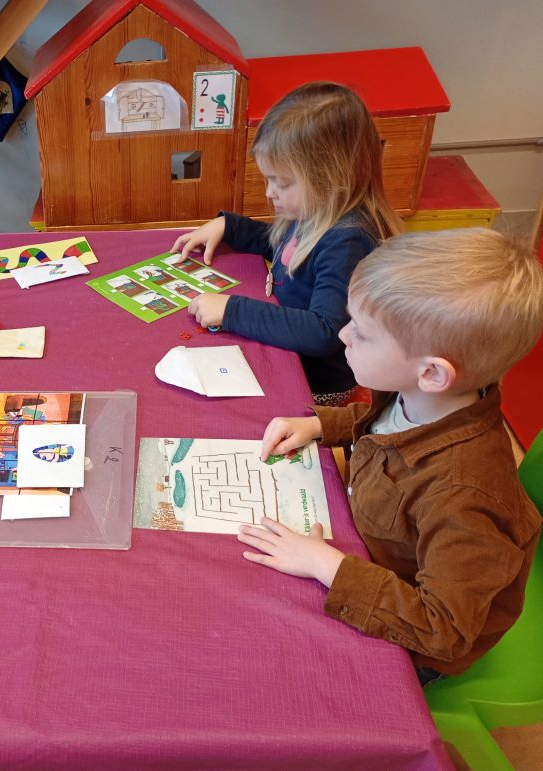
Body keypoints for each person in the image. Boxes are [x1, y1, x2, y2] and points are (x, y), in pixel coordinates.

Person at [241, 229, 543, 684]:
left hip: (414, 641)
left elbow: (442, 631)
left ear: (432, 373)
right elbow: (386, 425)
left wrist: (325, 565)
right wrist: (324, 425)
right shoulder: (425, 398)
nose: (342, 334)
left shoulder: (463, 498)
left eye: (362, 333)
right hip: (373, 556)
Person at [172, 81, 403, 405]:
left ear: (331, 179)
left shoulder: (347, 242)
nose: (269, 193)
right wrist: (229, 226)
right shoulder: (317, 211)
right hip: (292, 356)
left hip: (316, 384)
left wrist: (232, 310)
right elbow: (286, 250)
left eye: (281, 183)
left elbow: (323, 332)